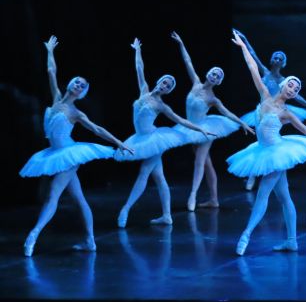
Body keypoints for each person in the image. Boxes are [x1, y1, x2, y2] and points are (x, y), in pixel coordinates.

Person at [227, 31, 306, 255]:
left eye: (297, 89)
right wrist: (243, 47)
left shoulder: (286, 113)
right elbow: (253, 67)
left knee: (263, 193)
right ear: (283, 85)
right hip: (262, 150)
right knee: (284, 197)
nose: (293, 90)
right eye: (291, 85)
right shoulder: (264, 95)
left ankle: (246, 234)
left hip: (276, 152)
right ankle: (292, 241)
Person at [22, 36, 133, 256]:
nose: (78, 85)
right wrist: (50, 51)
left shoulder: (75, 113)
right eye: (77, 82)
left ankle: (33, 235)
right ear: (71, 84)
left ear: (82, 93)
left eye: (82, 86)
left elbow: (97, 129)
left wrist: (119, 142)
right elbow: (51, 71)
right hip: (55, 152)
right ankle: (90, 241)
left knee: (53, 193)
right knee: (79, 199)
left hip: (69, 154)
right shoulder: (56, 99)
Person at [116, 39, 214, 227]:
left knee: (144, 172)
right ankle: (167, 215)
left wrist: (200, 128)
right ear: (159, 82)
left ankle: (125, 209)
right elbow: (139, 68)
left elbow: (181, 120)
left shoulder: (161, 105)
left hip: (153, 140)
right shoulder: (144, 90)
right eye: (164, 82)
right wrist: (137, 50)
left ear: (168, 91)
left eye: (168, 86)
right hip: (140, 138)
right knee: (159, 178)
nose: (165, 86)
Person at [169, 31, 253, 211]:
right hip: (190, 128)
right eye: (213, 73)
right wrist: (181, 43)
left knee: (200, 162)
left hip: (206, 129)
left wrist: (242, 123)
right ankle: (214, 199)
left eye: (217, 77)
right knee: (207, 163)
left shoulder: (212, 99)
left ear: (218, 82)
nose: (214, 76)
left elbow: (227, 113)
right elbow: (188, 62)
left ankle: (193, 195)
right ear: (208, 74)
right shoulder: (195, 83)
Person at [233, 29, 306, 191]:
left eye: (281, 58)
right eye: (276, 57)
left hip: (279, 110)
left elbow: (297, 96)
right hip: (264, 108)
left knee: (273, 139)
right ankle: (258, 173)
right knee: (262, 141)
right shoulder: (265, 72)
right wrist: (244, 40)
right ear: (272, 60)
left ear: (283, 63)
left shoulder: (285, 81)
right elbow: (253, 56)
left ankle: (272, 172)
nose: (278, 59)